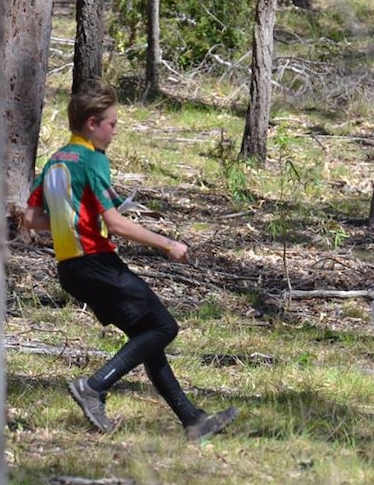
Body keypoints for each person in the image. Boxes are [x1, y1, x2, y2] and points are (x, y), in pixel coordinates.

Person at [23, 78, 237, 441]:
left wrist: (70, 219)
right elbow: (116, 223)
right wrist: (167, 244)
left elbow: (31, 220)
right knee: (165, 328)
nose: (114, 132)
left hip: (70, 268)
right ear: (92, 124)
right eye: (112, 124)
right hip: (96, 263)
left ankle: (192, 420)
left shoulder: (56, 161)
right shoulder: (92, 160)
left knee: (145, 334)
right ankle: (93, 386)